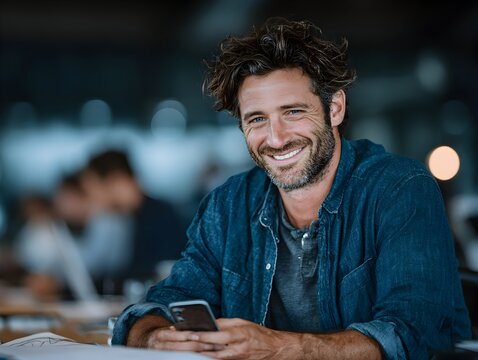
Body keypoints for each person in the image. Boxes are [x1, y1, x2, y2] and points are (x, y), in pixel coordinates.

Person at [111, 18, 471, 358]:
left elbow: (415, 337)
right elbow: (159, 305)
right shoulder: (228, 205)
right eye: (257, 119)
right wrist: (155, 337)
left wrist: (279, 348)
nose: (276, 138)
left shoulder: (399, 190)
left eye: (293, 112)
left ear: (335, 108)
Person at [80, 149, 186, 285]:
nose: (92, 199)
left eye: (92, 189)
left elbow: (153, 276)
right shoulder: (129, 219)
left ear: (116, 180)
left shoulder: (162, 219)